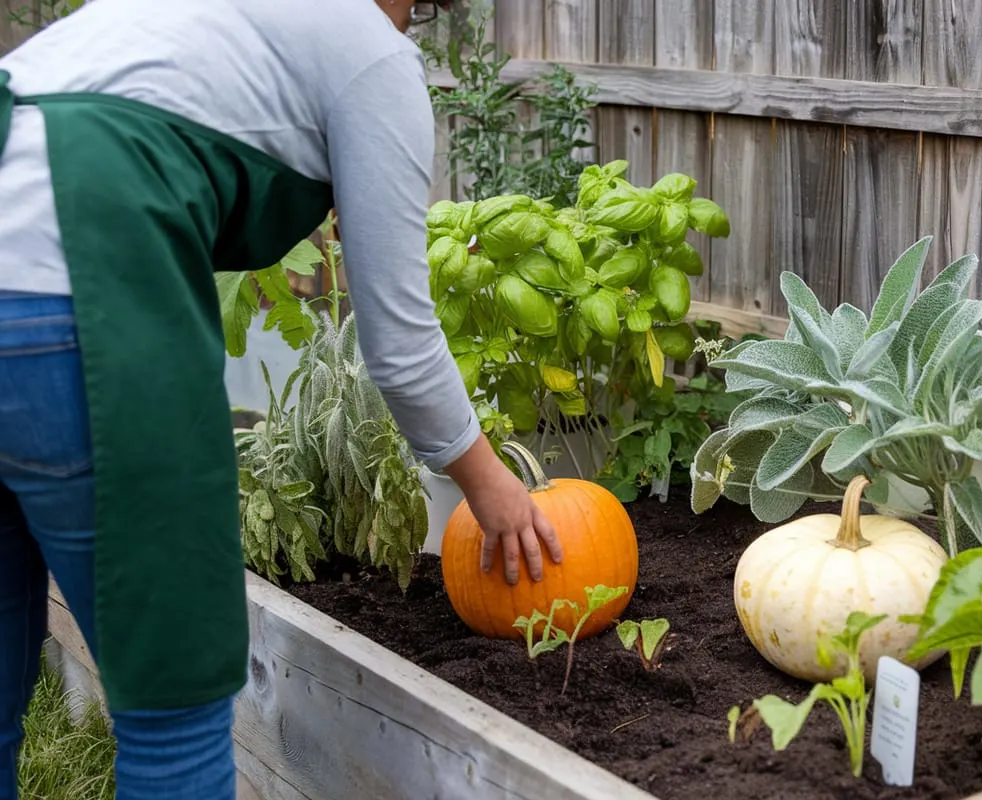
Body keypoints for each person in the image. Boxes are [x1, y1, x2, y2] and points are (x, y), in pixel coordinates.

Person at [0, 0, 562, 797]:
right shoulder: (368, 51)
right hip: (84, 289)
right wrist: (488, 483)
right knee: (173, 711)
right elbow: (400, 344)